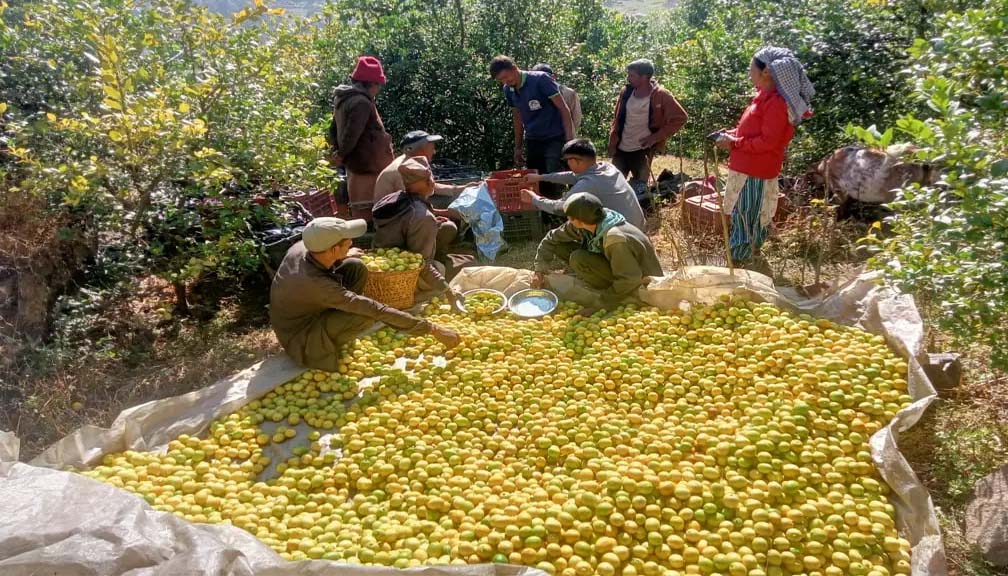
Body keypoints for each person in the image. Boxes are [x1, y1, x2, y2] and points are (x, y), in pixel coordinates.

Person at [270, 217, 460, 372]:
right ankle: (326, 344)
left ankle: (338, 319)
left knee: (356, 266)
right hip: (300, 334)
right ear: (334, 249)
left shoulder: (304, 246)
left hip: (309, 306)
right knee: (366, 315)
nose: (352, 242)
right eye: (347, 241)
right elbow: (375, 310)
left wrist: (345, 254)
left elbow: (327, 263)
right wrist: (433, 329)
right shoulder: (317, 285)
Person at [714, 46, 813, 263]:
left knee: (748, 215)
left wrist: (735, 143)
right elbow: (751, 132)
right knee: (744, 213)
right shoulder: (763, 97)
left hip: (756, 171)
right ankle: (743, 255)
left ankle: (741, 260)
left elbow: (768, 142)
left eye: (751, 69)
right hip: (747, 167)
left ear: (765, 72)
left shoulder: (776, 103)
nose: (750, 73)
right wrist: (729, 135)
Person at [532, 193, 662, 314]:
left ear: (577, 220)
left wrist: (600, 304)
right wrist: (539, 270)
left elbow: (629, 279)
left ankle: (613, 292)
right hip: (619, 266)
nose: (568, 221)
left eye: (569, 218)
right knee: (560, 246)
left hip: (641, 281)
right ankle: (600, 281)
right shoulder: (589, 221)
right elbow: (551, 238)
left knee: (578, 258)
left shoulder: (614, 238)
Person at [372, 157, 472, 300]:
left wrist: (433, 222)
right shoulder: (422, 217)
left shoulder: (398, 198)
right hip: (400, 275)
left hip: (385, 260)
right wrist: (447, 291)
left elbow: (404, 224)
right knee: (466, 264)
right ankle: (419, 291)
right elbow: (421, 264)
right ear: (429, 182)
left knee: (447, 228)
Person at [490, 55, 575, 199]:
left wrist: (570, 141)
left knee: (552, 174)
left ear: (514, 68)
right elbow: (517, 118)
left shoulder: (540, 79)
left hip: (554, 136)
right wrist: (518, 147)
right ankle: (542, 213)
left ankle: (557, 211)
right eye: (501, 80)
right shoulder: (508, 90)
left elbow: (564, 109)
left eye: (506, 77)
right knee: (535, 176)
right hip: (533, 138)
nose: (505, 82)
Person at [519, 138, 647, 230]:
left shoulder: (589, 183)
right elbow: (572, 176)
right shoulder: (607, 167)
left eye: (567, 161)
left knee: (574, 222)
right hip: (638, 227)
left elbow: (561, 208)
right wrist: (540, 177)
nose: (567, 165)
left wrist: (534, 199)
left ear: (575, 161)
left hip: (624, 235)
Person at [329, 56, 395, 217]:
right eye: (377, 85)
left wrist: (336, 150)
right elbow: (352, 133)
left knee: (364, 206)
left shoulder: (343, 99)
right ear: (371, 84)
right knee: (370, 209)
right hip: (366, 163)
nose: (378, 89)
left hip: (357, 162)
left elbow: (333, 128)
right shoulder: (361, 103)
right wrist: (341, 154)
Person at [607, 59, 688, 188]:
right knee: (613, 184)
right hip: (621, 147)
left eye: (632, 75)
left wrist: (655, 137)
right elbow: (617, 118)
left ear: (644, 77)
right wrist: (612, 142)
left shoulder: (661, 95)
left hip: (643, 149)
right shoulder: (626, 92)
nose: (628, 78)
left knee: (640, 187)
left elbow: (681, 117)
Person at [373, 130, 477, 204]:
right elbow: (411, 203)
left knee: (456, 198)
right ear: (412, 149)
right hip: (394, 218)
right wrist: (445, 213)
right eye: (431, 148)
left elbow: (430, 187)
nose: (434, 151)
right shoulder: (403, 169)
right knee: (452, 216)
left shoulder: (415, 163)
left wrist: (461, 189)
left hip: (407, 208)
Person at [532, 63, 582, 137]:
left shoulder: (569, 93)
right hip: (539, 139)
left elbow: (576, 118)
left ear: (553, 77)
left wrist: (569, 136)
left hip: (563, 137)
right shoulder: (531, 94)